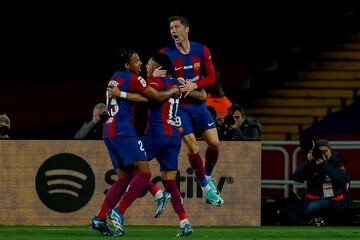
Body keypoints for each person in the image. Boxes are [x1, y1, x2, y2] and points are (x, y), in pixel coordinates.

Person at [90, 47, 179, 236]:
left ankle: (99, 217)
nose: (140, 63)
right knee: (144, 173)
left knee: (123, 178)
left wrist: (133, 89)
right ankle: (119, 211)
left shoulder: (116, 76)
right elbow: (154, 98)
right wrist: (172, 91)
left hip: (109, 131)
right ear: (127, 65)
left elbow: (140, 92)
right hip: (123, 131)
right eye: (137, 60)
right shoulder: (133, 78)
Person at [160, 15, 223, 206]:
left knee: (214, 144)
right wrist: (156, 75)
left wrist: (193, 85)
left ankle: (208, 175)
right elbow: (156, 75)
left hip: (199, 106)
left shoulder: (201, 50)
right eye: (171, 28)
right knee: (192, 146)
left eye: (177, 27)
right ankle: (205, 187)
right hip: (179, 108)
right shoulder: (166, 53)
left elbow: (211, 77)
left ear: (186, 29)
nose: (173, 31)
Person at [293, 139, 351, 226]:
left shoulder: (337, 162)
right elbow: (297, 178)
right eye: (320, 151)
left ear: (330, 150)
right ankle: (318, 221)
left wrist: (324, 165)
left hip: (336, 203)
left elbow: (340, 179)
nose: (323, 154)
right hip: (315, 201)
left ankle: (318, 221)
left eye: (325, 151)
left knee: (341, 213)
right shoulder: (312, 163)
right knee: (293, 214)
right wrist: (308, 163)